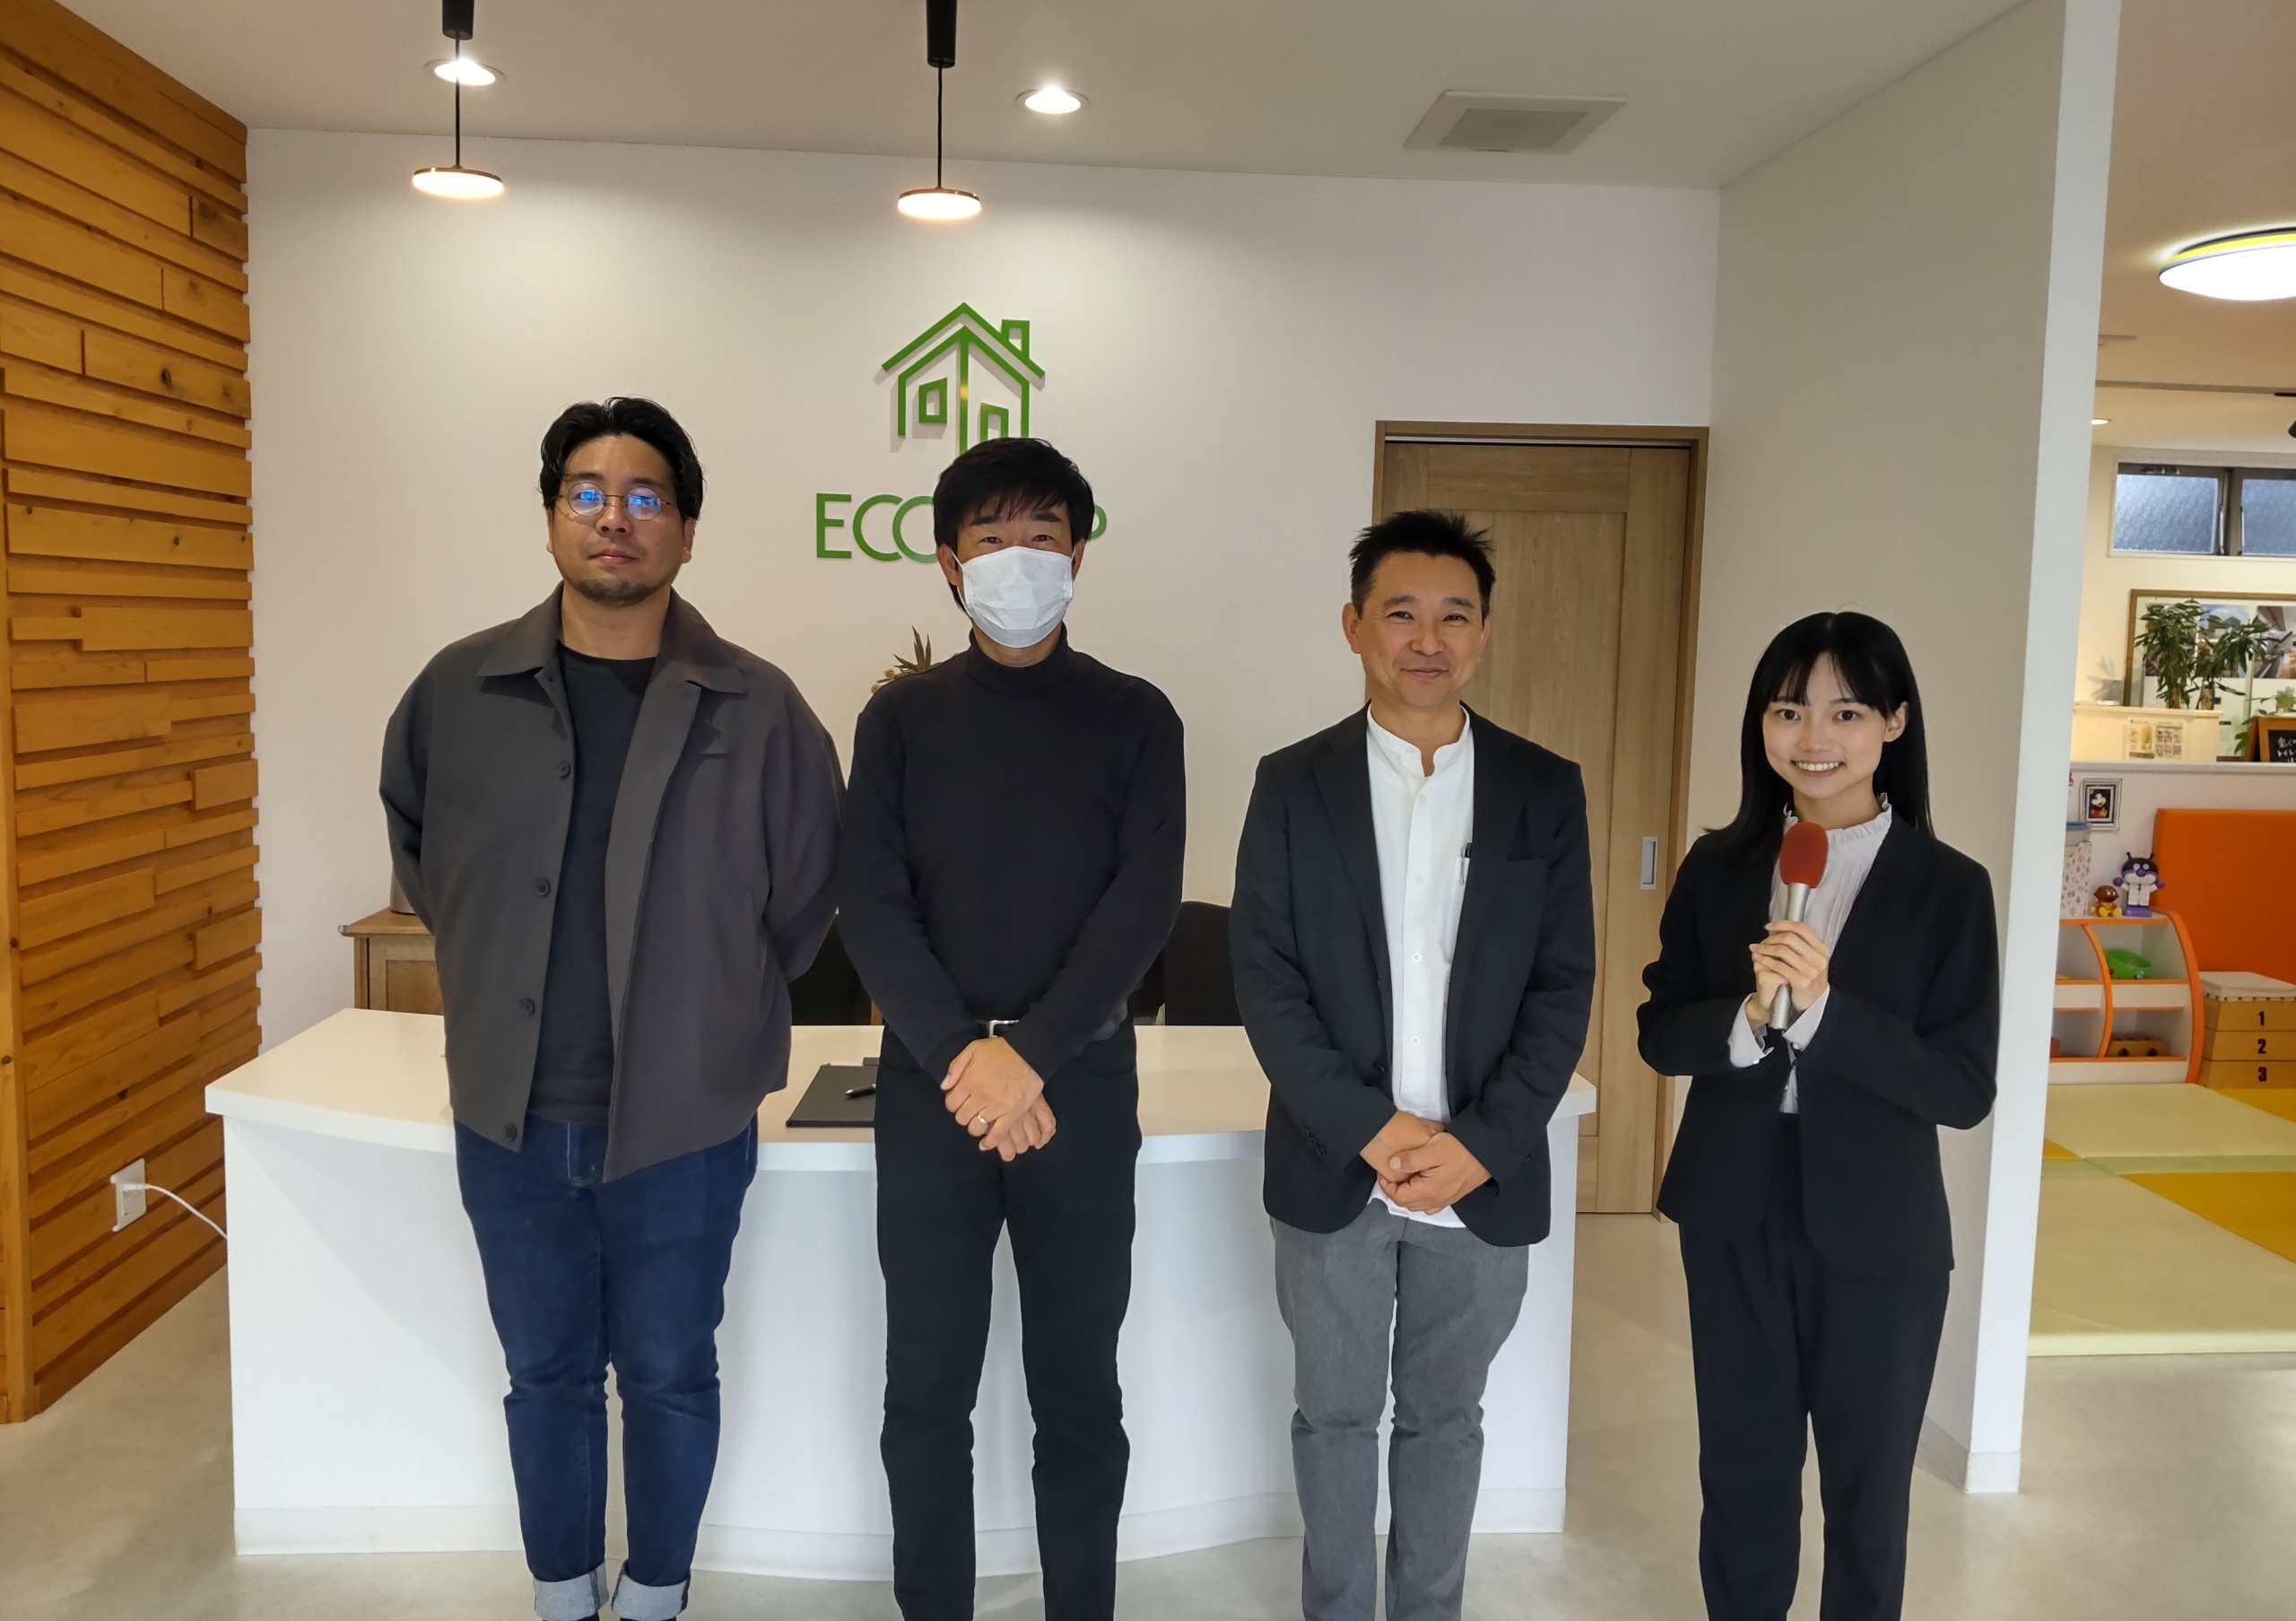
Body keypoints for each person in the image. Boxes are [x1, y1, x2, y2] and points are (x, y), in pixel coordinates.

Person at [379, 397, 843, 1621]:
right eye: (586, 493)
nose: (614, 519)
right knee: (544, 1376)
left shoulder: (757, 706)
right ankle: (561, 1595)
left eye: (645, 498)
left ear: (686, 530)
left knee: (671, 1374)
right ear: (549, 519)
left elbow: (806, 901)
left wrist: (706, 1009)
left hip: (685, 1121)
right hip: (511, 1114)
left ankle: (654, 1595)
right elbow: (423, 857)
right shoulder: (460, 689)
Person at [837, 437, 1186, 1621]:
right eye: (992, 538)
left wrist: (1026, 1056)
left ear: (1078, 556)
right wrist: (963, 1056)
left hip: (1077, 1084)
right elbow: (871, 903)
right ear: (948, 562)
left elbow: (1142, 905)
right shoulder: (899, 721)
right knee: (925, 1391)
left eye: (1043, 536)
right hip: (931, 1089)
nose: (1018, 558)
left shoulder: (1136, 718)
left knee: (1078, 1391)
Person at [1229, 509, 1596, 1621]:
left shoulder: (1543, 788)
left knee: (1447, 1422)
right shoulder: (1292, 784)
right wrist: (1376, 1130)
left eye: (1454, 616)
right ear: (1353, 627)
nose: (1427, 640)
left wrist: (1478, 1144)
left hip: (1482, 1172)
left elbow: (1561, 988)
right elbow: (1266, 984)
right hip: (1336, 1165)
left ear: (1483, 633)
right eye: (1401, 614)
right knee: (1333, 1420)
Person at [1638, 611, 1999, 1621]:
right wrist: (1749, 1021)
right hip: (1733, 1210)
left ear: (1894, 722)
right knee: (1743, 1477)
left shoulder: (1949, 889)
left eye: (1845, 712)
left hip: (1881, 1227)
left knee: (1868, 1494)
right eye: (1788, 709)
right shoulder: (1718, 868)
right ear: (1760, 723)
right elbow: (1660, 1032)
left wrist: (1829, 1012)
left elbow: (1963, 1086)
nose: (1812, 737)